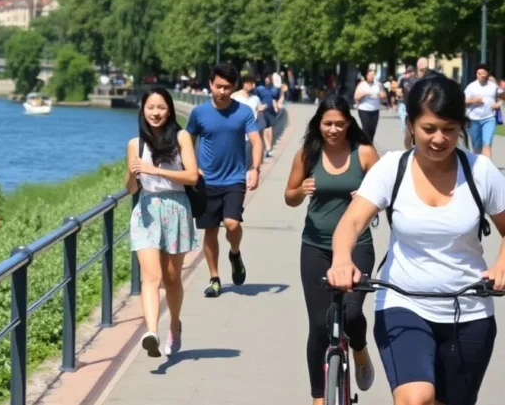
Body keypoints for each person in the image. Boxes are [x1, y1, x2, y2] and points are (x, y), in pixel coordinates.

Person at [327, 74, 505, 405]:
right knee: (416, 399)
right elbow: (351, 222)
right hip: (403, 303)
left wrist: (502, 264)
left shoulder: (481, 172)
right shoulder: (392, 169)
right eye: (429, 128)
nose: (439, 138)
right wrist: (342, 260)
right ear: (410, 125)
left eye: (449, 129)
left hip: (470, 311)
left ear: (461, 127)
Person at [284, 95, 380, 404]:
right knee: (319, 325)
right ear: (318, 124)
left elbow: (385, 198)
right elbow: (289, 196)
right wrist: (301, 191)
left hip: (358, 247)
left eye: (340, 123)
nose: (334, 130)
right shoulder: (307, 154)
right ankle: (318, 398)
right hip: (315, 246)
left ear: (350, 123)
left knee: (351, 313)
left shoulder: (364, 153)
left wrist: (367, 200)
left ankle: (360, 349)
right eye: (328, 124)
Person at [126, 86, 200, 358]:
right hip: (146, 211)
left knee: (171, 278)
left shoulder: (181, 137)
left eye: (161, 108)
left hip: (176, 209)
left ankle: (175, 327)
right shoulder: (135, 144)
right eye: (150, 108)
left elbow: (192, 176)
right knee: (151, 277)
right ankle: (152, 332)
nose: (155, 113)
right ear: (142, 111)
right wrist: (133, 174)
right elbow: (131, 187)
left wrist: (153, 169)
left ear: (169, 110)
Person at [186, 63, 264, 298]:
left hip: (234, 179)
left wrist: (255, 168)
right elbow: (187, 141)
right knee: (210, 231)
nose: (222, 91)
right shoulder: (199, 113)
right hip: (206, 181)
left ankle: (235, 252)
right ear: (210, 84)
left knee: (232, 224)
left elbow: (257, 141)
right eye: (218, 86)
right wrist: (192, 168)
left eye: (227, 87)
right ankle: (215, 278)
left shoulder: (243, 112)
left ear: (234, 88)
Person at [464, 63, 502, 158]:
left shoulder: (493, 86)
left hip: (489, 118)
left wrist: (498, 104)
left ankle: (487, 167)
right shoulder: (471, 87)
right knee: (477, 147)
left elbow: (502, 96)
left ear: (487, 74)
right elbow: (463, 100)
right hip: (474, 120)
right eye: (479, 73)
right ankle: (477, 166)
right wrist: (474, 100)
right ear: (476, 74)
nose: (481, 75)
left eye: (483, 73)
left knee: (487, 144)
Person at [396, 58, 431, 149]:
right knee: (407, 129)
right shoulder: (405, 80)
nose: (424, 71)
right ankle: (409, 150)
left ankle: (416, 147)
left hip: (419, 106)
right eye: (422, 69)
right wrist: (399, 93)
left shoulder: (424, 80)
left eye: (426, 69)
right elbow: (398, 90)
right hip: (405, 105)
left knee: (417, 130)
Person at [354, 68, 385, 141]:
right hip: (364, 109)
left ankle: (370, 144)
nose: (372, 76)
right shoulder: (362, 84)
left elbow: (384, 95)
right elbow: (356, 97)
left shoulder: (377, 84)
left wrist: (381, 94)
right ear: (366, 76)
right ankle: (364, 145)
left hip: (375, 109)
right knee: (366, 129)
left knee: (372, 129)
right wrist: (365, 93)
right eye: (370, 75)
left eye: (373, 75)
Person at [255, 74, 278, 157]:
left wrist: (275, 105)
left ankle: (269, 147)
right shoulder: (261, 89)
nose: (267, 80)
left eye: (268, 79)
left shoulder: (273, 89)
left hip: (270, 110)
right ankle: (268, 147)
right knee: (265, 129)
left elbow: (275, 98)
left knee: (269, 128)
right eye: (266, 79)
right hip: (264, 110)